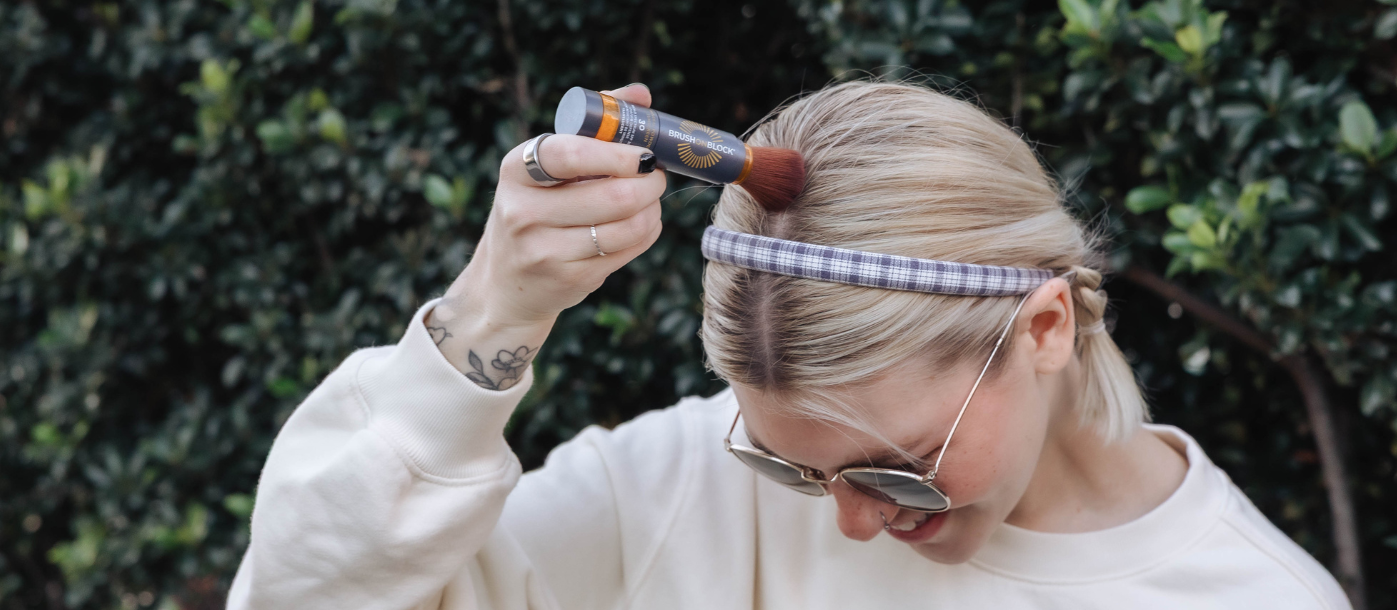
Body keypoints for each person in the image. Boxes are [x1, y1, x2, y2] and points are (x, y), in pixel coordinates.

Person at [226, 81, 1351, 609]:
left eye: (893, 463)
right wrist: (488, 317)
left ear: (1043, 327)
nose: (851, 518)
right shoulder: (678, 485)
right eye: (791, 466)